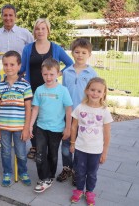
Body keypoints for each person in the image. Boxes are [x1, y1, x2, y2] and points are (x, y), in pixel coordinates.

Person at [20, 18, 73, 160]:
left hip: (50, 90)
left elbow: (70, 63)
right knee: (34, 119)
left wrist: (59, 73)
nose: (40, 31)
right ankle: (35, 146)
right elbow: (22, 68)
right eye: (37, 29)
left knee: (47, 117)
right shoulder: (28, 48)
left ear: (48, 30)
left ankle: (46, 146)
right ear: (34, 31)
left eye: (43, 28)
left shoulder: (55, 48)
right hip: (32, 89)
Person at [0, 4, 33, 152]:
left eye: (10, 15)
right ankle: (1, 135)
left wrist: (25, 69)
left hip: (20, 76)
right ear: (1, 16)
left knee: (22, 106)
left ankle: (26, 138)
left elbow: (32, 51)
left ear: (15, 16)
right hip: (1, 77)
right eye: (5, 15)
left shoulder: (24, 33)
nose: (8, 18)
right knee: (2, 104)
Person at [57, 38, 97, 184]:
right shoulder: (67, 72)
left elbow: (94, 94)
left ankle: (77, 171)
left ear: (89, 54)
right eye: (77, 52)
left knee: (79, 144)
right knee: (66, 143)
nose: (80, 55)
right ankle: (67, 168)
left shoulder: (92, 73)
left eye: (84, 52)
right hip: (68, 115)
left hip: (84, 116)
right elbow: (63, 92)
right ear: (72, 53)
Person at [30, 58, 72, 193]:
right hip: (41, 128)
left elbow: (68, 109)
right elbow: (35, 109)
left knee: (53, 155)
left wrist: (68, 127)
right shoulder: (39, 90)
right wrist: (30, 125)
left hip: (57, 129)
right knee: (40, 153)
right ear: (41, 74)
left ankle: (50, 176)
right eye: (45, 74)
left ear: (58, 74)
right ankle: (44, 178)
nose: (48, 77)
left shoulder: (63, 90)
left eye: (52, 74)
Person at [69, 77, 113, 206]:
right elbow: (73, 126)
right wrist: (72, 143)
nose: (95, 93)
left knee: (92, 173)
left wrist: (105, 152)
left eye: (99, 91)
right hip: (80, 147)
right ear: (87, 90)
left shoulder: (104, 112)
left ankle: (89, 191)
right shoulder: (80, 107)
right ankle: (79, 190)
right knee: (80, 171)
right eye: (92, 90)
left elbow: (107, 133)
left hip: (96, 150)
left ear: (104, 94)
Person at [0, 50, 32, 187]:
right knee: (5, 152)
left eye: (12, 64)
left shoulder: (25, 85)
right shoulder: (0, 86)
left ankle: (23, 172)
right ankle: (7, 173)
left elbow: (29, 108)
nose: (8, 67)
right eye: (5, 64)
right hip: (4, 127)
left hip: (20, 128)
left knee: (21, 153)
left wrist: (26, 128)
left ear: (19, 66)